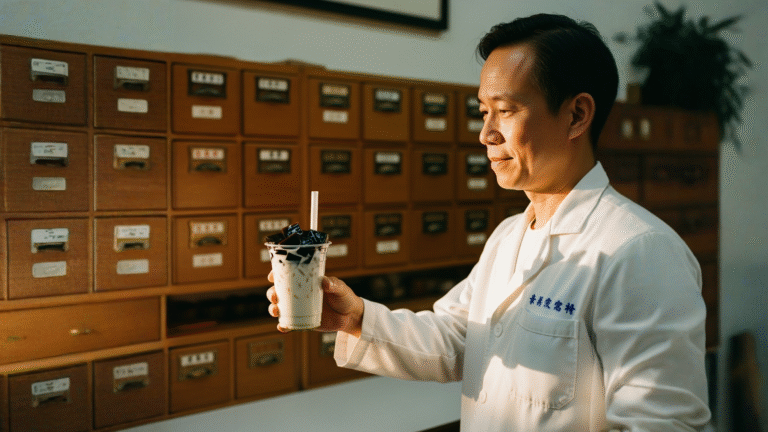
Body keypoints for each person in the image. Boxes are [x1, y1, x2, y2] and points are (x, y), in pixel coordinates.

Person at [267, 13, 711, 431]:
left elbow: (661, 422)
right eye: (484, 112)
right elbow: (458, 340)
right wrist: (355, 318)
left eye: (507, 110)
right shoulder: (508, 237)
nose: (486, 134)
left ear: (577, 114)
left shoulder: (640, 251)